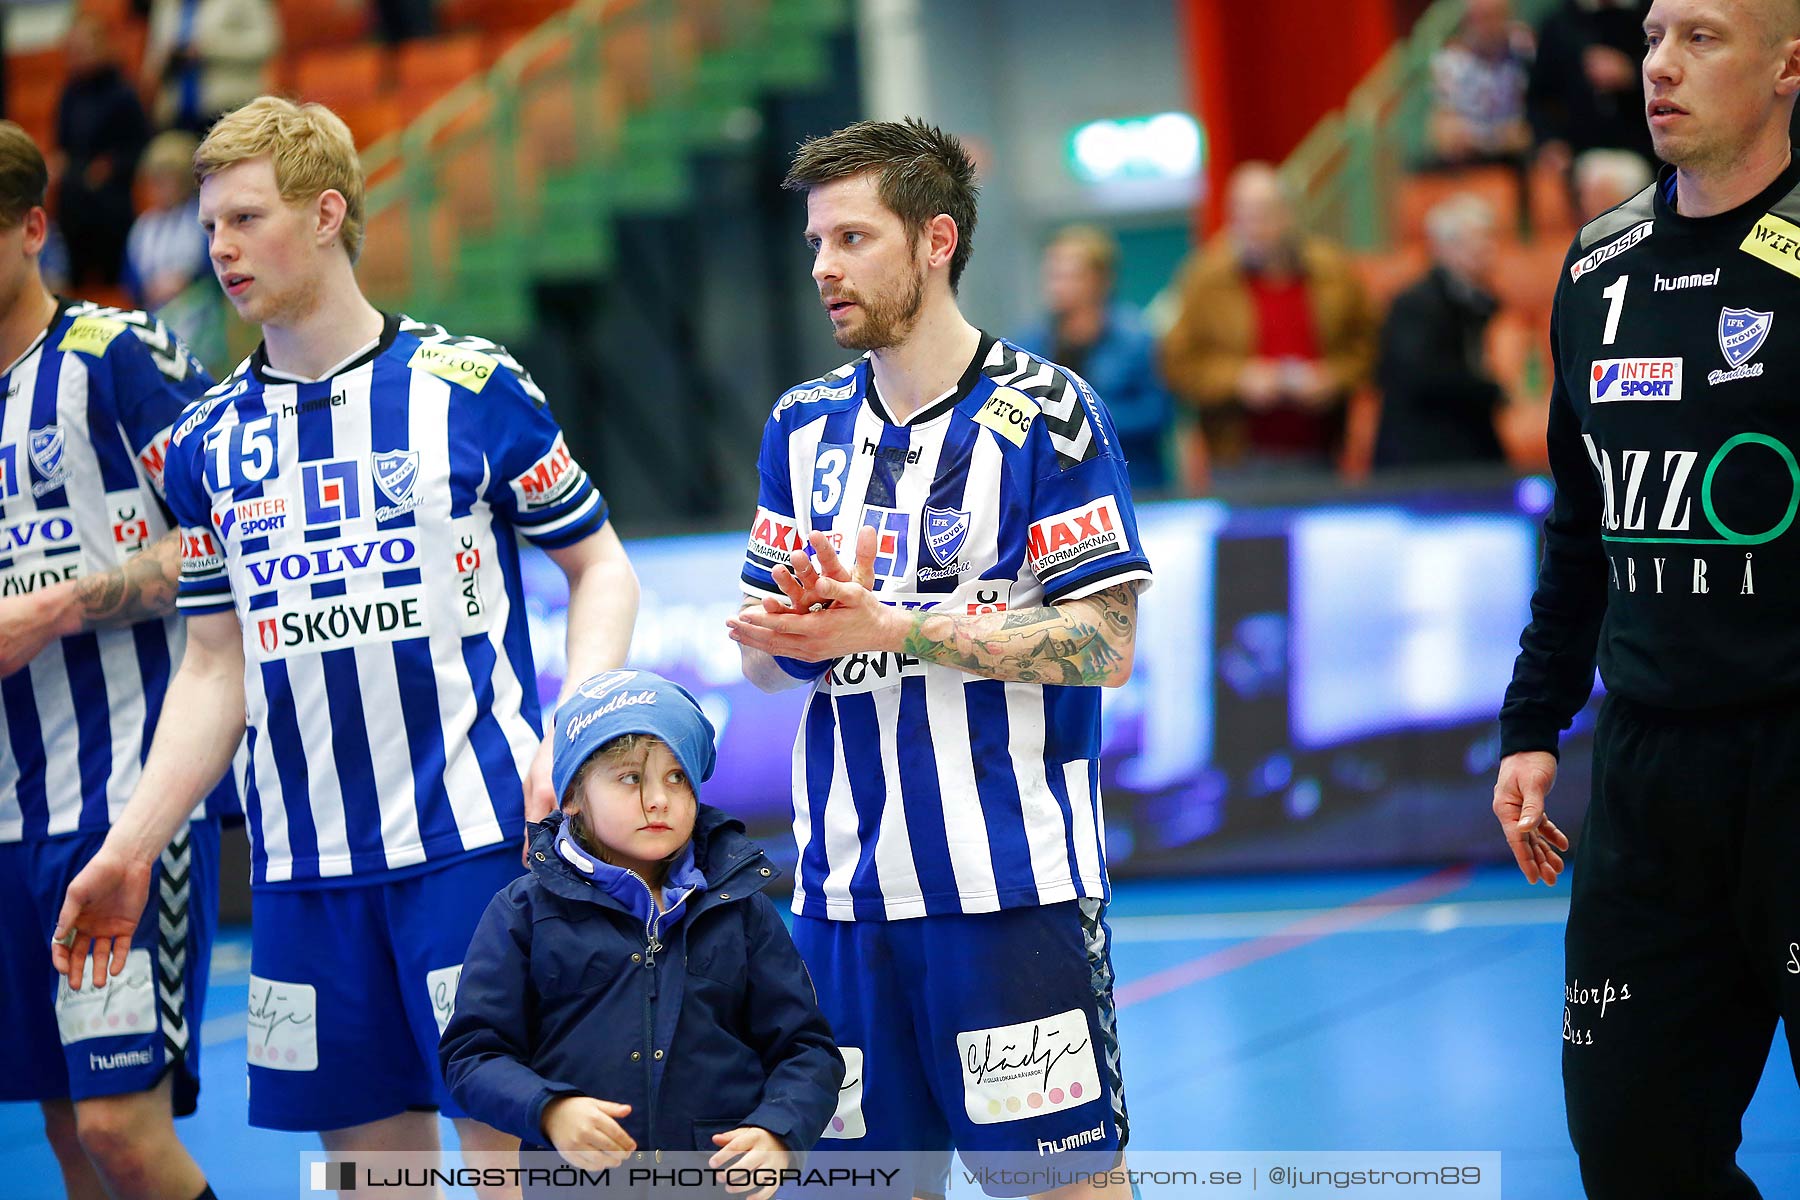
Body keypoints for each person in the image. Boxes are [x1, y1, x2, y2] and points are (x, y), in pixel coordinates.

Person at [50, 97, 640, 1192]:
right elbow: (214, 666)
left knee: (513, 1164)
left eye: (246, 218)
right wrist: (130, 847)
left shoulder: (471, 388)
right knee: (371, 1180)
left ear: (327, 215)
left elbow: (599, 563)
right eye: (209, 222)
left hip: (474, 849)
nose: (219, 247)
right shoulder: (204, 446)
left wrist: (575, 731)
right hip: (301, 873)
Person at [727, 118, 1152, 1200]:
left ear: (935, 241)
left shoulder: (1048, 416)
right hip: (842, 905)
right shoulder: (801, 425)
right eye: (816, 242)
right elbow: (768, 669)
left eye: (853, 238)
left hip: (1010, 899)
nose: (823, 266)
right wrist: (791, 632)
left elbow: (1105, 647)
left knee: (1064, 1190)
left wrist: (894, 624)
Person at [1494, 1, 1800, 1195]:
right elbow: (1581, 528)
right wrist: (1533, 724)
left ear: (1788, 69)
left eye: (1703, 38)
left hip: (1793, 760)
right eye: (1657, 35)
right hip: (1648, 779)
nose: (1660, 65)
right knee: (1631, 1150)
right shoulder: (1600, 263)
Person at [0, 120, 230, 1200]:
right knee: (70, 1142)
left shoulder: (113, 360)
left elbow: (232, 537)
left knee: (119, 1132)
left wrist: (58, 604)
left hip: (118, 801)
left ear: (34, 228)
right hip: (4, 823)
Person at [441, 669, 843, 1191]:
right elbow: (472, 1055)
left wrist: (778, 1133)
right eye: (631, 778)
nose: (658, 800)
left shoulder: (742, 908)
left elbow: (806, 1050)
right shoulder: (521, 914)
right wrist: (550, 1111)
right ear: (572, 797)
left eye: (677, 777)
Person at [1158, 162, 1377, 485]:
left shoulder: (1334, 272)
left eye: (1264, 214)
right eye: (1242, 216)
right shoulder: (1204, 278)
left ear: (1289, 214)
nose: (1254, 227)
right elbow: (1178, 364)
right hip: (1236, 456)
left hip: (1321, 452)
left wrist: (1333, 377)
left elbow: (1368, 348)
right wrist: (1239, 379)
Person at [1013, 225, 1174, 494]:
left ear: (1100, 280)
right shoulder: (1029, 347)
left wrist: (1082, 421)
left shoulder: (1136, 340)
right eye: (1052, 275)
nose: (1057, 286)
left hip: (1133, 488)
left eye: (1069, 276)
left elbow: (1159, 412)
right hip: (1060, 496)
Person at [1373, 193, 1509, 469]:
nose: (1487, 248)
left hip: (1468, 442)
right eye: (1477, 239)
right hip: (1425, 454)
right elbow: (1419, 377)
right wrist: (1491, 390)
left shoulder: (1482, 301)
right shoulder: (1415, 303)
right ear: (1443, 248)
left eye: (1490, 238)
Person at [54, 14, 150, 287]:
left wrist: (111, 166)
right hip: (74, 204)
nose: (77, 56)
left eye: (84, 48)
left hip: (111, 206)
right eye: (73, 49)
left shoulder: (124, 93)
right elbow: (63, 145)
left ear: (103, 46)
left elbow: (141, 147)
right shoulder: (69, 93)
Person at [124, 130, 225, 372]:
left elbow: (214, 266)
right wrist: (148, 289)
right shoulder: (143, 227)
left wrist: (185, 282)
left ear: (183, 181)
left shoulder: (202, 219)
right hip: (156, 322)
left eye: (166, 180)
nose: (159, 189)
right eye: (154, 181)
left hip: (201, 324)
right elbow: (129, 280)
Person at [142, 0, 281, 135]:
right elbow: (152, 59)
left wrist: (208, 48)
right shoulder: (165, 4)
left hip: (229, 110)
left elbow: (267, 44)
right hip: (176, 112)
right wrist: (168, 57)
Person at [1427, 0, 1536, 168]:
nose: (1486, 26)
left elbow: (1529, 128)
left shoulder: (1524, 53)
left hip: (1519, 162)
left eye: (1494, 17)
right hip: (1470, 164)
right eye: (1479, 18)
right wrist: (1492, 139)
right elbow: (1443, 131)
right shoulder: (1450, 63)